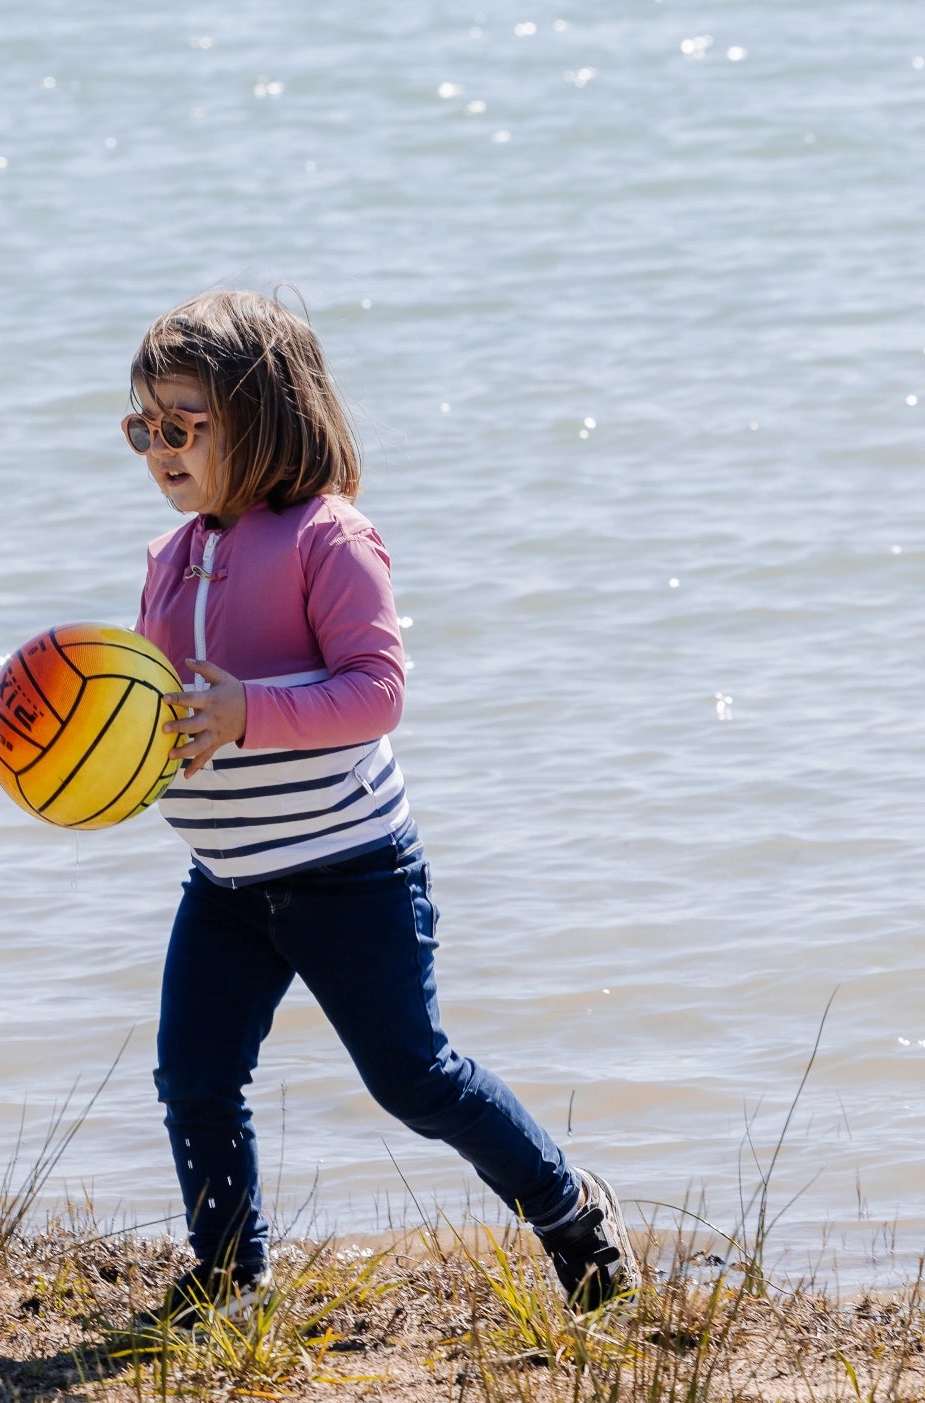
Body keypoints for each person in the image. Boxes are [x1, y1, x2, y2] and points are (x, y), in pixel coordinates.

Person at [124, 289, 637, 1320]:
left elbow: (376, 692)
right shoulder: (170, 559)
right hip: (226, 883)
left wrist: (247, 711)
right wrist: (53, 734)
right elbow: (156, 711)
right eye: (141, 428)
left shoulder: (329, 539)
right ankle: (228, 1268)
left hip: (348, 873)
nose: (158, 449)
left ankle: (571, 1214)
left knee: (415, 1078)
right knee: (193, 1077)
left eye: (181, 425)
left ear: (262, 415)